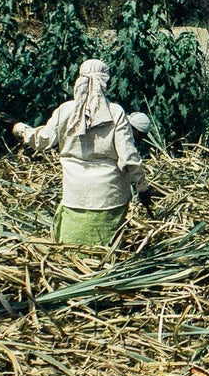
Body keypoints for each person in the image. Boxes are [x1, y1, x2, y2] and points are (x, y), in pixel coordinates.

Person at [12, 59, 152, 245]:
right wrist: (143, 187)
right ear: (105, 82)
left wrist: (18, 128)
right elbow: (128, 158)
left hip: (75, 194)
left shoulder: (65, 110)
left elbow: (41, 140)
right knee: (105, 250)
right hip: (110, 197)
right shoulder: (115, 112)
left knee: (72, 250)